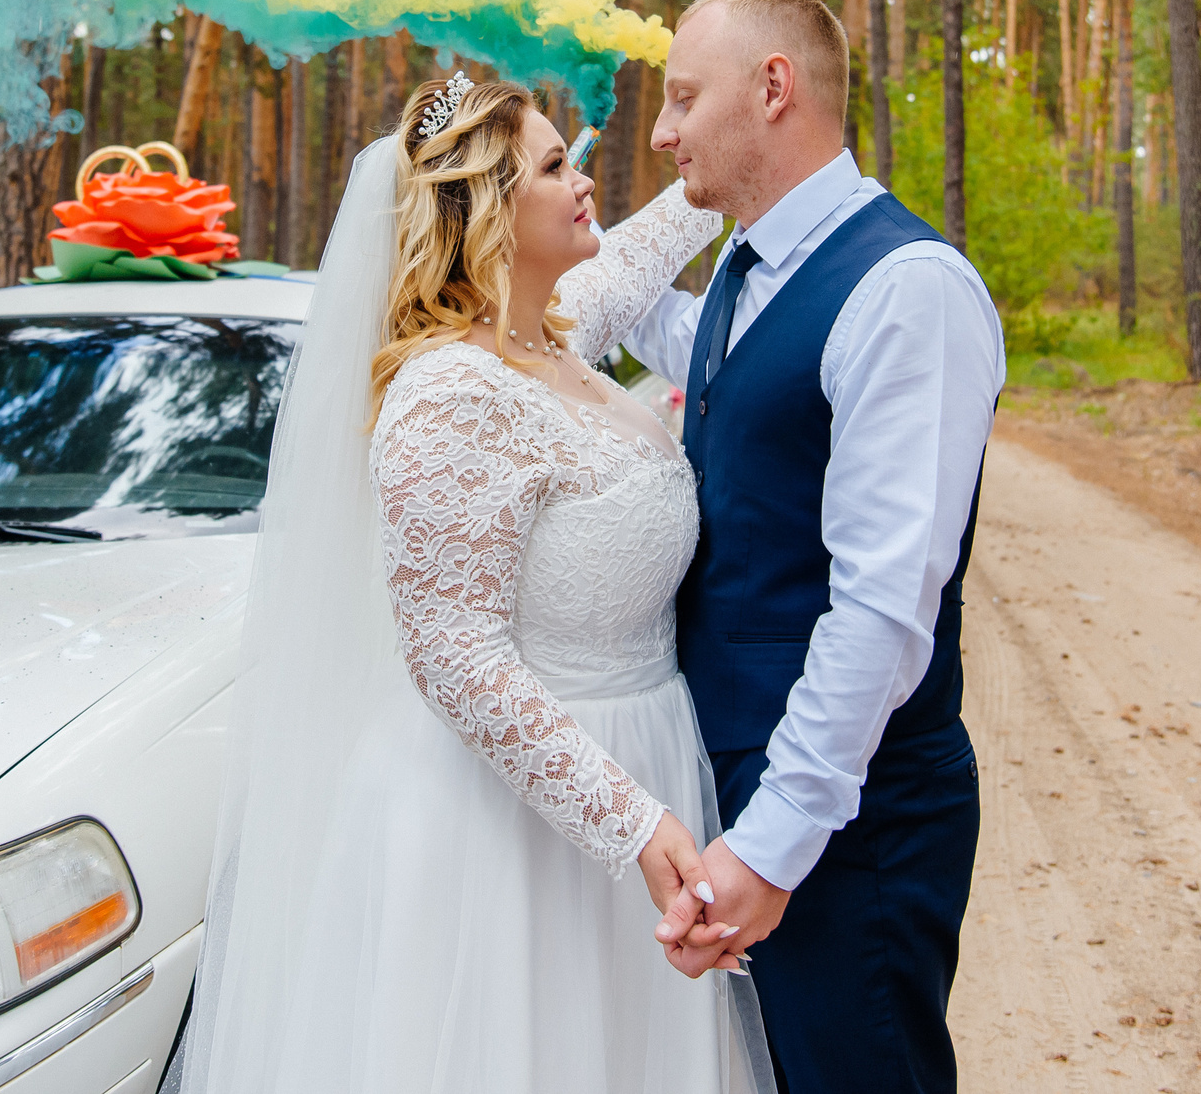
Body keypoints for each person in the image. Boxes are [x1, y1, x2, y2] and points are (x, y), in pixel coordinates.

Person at [164, 71, 772, 1094]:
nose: (582, 183)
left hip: (645, 758)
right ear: (489, 212)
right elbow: (452, 653)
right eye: (552, 167)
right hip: (511, 826)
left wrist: (735, 139)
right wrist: (631, 821)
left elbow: (654, 237)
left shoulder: (559, 324)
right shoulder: (448, 394)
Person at [637, 0, 1004, 1094]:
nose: (661, 133)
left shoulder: (906, 288)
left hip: (856, 814)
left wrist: (774, 836)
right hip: (754, 788)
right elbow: (686, 346)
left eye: (683, 98)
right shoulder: (751, 275)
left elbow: (884, 605)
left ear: (774, 88)